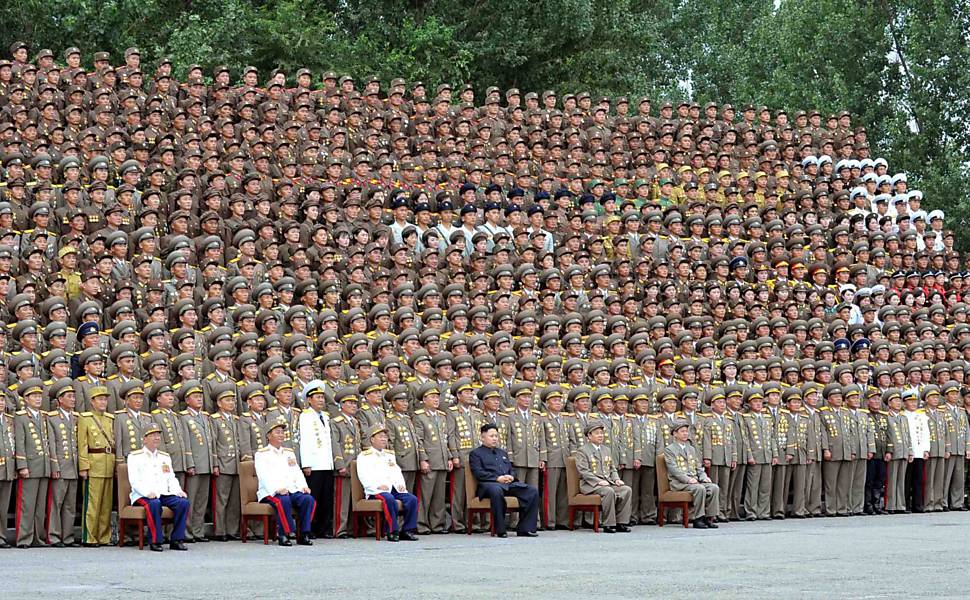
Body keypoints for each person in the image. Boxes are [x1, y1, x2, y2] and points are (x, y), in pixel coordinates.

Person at [468, 423, 540, 537]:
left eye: (496, 436)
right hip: (489, 485)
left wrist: (511, 476)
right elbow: (478, 473)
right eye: (491, 436)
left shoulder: (502, 453)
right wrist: (497, 478)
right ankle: (499, 529)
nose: (495, 439)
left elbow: (511, 469)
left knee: (532, 491)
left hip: (507, 484)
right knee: (496, 491)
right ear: (482, 437)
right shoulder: (475, 454)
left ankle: (525, 528)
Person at [126, 425, 190, 552]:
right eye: (152, 435)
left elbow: (171, 477)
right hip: (143, 495)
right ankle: (155, 540)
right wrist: (146, 492)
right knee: (154, 504)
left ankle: (177, 539)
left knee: (183, 503)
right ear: (144, 439)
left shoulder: (164, 457)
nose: (156, 438)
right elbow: (134, 480)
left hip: (163, 493)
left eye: (158, 435)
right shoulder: (135, 456)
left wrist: (178, 491)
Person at [255, 421, 315, 546]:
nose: (281, 435)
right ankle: (284, 534)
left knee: (308, 499)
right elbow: (263, 475)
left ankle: (303, 533)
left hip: (291, 490)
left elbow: (297, 471)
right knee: (282, 501)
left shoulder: (289, 452)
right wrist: (277, 489)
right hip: (271, 491)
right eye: (277, 432)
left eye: (282, 432)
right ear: (269, 436)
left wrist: (303, 486)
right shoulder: (262, 454)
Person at [355, 423, 419, 541]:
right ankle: (391, 530)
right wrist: (377, 486)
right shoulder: (364, 456)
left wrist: (401, 485)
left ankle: (407, 530)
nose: (384, 439)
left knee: (412, 499)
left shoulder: (389, 454)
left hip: (392, 488)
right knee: (388, 499)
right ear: (372, 439)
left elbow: (396, 471)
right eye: (380, 436)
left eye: (385, 436)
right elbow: (364, 475)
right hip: (376, 490)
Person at [573, 422, 632, 533]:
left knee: (626, 490)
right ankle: (608, 524)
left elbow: (612, 468)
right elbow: (584, 471)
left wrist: (616, 479)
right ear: (589, 436)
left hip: (607, 482)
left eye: (601, 433)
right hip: (590, 485)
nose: (600, 435)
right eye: (597, 433)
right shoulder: (583, 451)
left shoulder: (606, 450)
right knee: (608, 491)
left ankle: (621, 522)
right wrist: (598, 481)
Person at [664, 421, 720, 529]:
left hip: (694, 480)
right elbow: (673, 469)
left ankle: (709, 517)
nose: (685, 434)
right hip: (680, 483)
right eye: (682, 431)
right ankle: (698, 518)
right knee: (699, 488)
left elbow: (698, 467)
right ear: (675, 434)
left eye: (686, 431)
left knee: (713, 487)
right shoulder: (669, 449)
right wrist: (688, 480)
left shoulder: (691, 449)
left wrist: (704, 477)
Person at [77, 386, 114, 547]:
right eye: (100, 399)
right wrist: (83, 466)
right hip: (94, 463)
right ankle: (90, 536)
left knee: (106, 504)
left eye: (105, 399)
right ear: (92, 401)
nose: (103, 402)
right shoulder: (85, 418)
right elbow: (82, 444)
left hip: (108, 462)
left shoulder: (109, 418)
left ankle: (104, 536)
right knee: (92, 503)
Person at [298, 381, 335, 539]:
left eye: (322, 397)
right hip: (314, 464)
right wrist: (306, 463)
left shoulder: (325, 416)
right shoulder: (305, 416)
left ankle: (324, 528)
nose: (321, 400)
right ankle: (310, 527)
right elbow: (305, 440)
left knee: (326, 498)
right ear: (309, 400)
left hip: (326, 462)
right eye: (317, 397)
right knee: (314, 497)